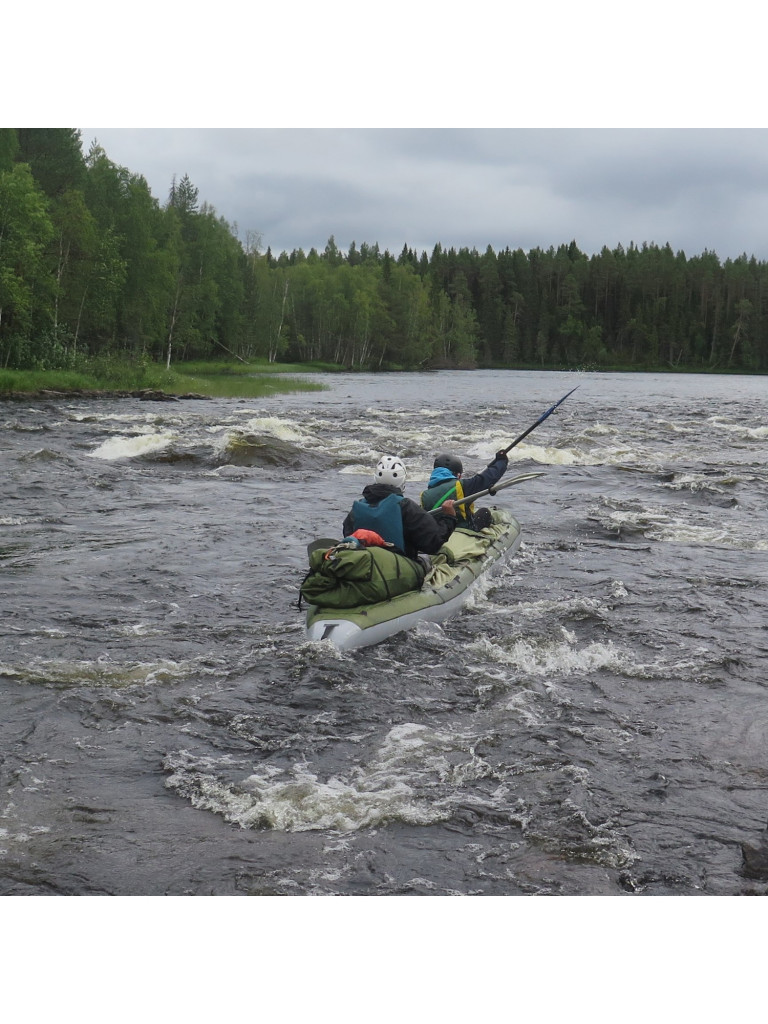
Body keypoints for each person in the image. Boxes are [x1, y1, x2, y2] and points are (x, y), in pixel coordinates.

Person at [342, 455, 457, 561]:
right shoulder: (406, 507)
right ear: (402, 480)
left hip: (364, 565)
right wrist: (449, 518)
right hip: (398, 569)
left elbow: (348, 537)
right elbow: (433, 544)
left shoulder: (356, 509)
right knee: (426, 562)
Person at [420, 450, 509, 530]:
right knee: (484, 513)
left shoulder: (424, 495)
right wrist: (501, 461)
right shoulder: (460, 486)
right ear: (457, 474)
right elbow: (488, 478)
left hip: (441, 534)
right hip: (462, 531)